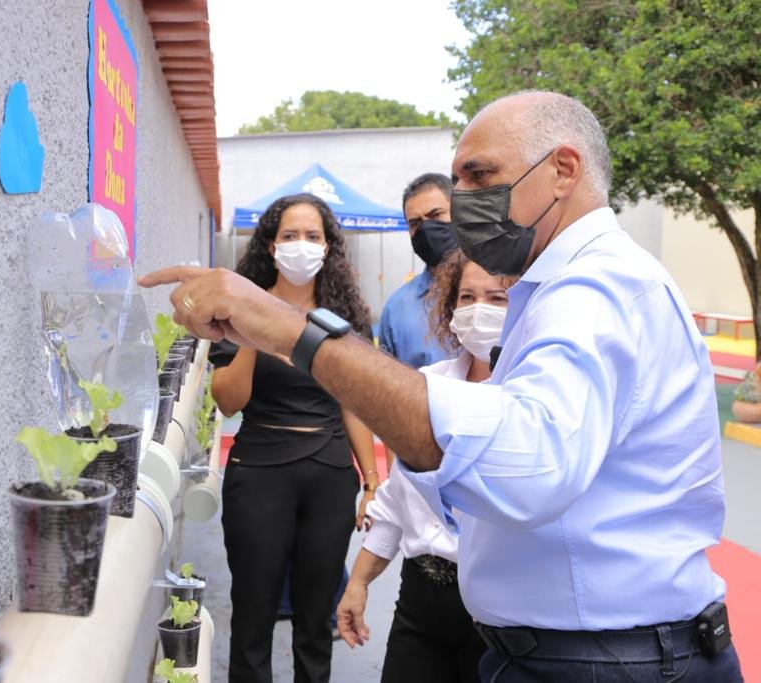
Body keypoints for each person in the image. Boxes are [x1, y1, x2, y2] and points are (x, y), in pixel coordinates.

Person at [142, 91, 744, 681]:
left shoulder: (599, 290)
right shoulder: (558, 289)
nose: (464, 203)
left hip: (607, 659)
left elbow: (524, 466)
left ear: (563, 169)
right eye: (459, 184)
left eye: (481, 176)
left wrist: (289, 329)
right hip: (570, 651)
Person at [207, 193, 379, 683]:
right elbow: (228, 401)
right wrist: (250, 330)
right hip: (259, 471)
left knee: (314, 622)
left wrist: (370, 481)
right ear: (270, 243)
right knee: (253, 616)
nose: (301, 246)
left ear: (328, 248)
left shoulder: (344, 316)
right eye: (289, 235)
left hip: (329, 475)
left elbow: (354, 403)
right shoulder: (238, 307)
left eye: (312, 236)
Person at [338, 250, 514, 682]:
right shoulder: (429, 387)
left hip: (500, 612)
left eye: (497, 299)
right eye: (467, 297)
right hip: (419, 603)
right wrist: (358, 583)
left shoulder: (530, 398)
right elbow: (399, 500)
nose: (478, 311)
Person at [377, 173, 458, 369]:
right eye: (415, 223)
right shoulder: (397, 309)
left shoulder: (504, 289)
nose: (426, 229)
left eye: (435, 215)